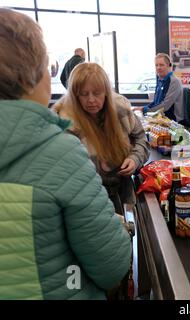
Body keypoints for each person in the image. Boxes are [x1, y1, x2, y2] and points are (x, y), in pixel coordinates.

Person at [0, 8, 131, 299]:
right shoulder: (58, 151)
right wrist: (123, 229)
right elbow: (111, 265)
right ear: (34, 78)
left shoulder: (113, 113)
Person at [54, 63, 150, 214]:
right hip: (88, 205)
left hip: (123, 196)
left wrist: (135, 158)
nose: (91, 100)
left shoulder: (121, 110)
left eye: (97, 93)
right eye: (84, 94)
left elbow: (141, 138)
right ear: (74, 94)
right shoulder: (66, 125)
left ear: (106, 91)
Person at [133, 53, 185, 125]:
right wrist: (143, 108)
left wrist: (145, 110)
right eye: (156, 65)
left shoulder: (174, 81)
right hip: (160, 118)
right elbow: (155, 102)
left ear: (169, 66)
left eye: (161, 65)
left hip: (172, 122)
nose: (158, 68)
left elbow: (165, 106)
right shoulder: (160, 80)